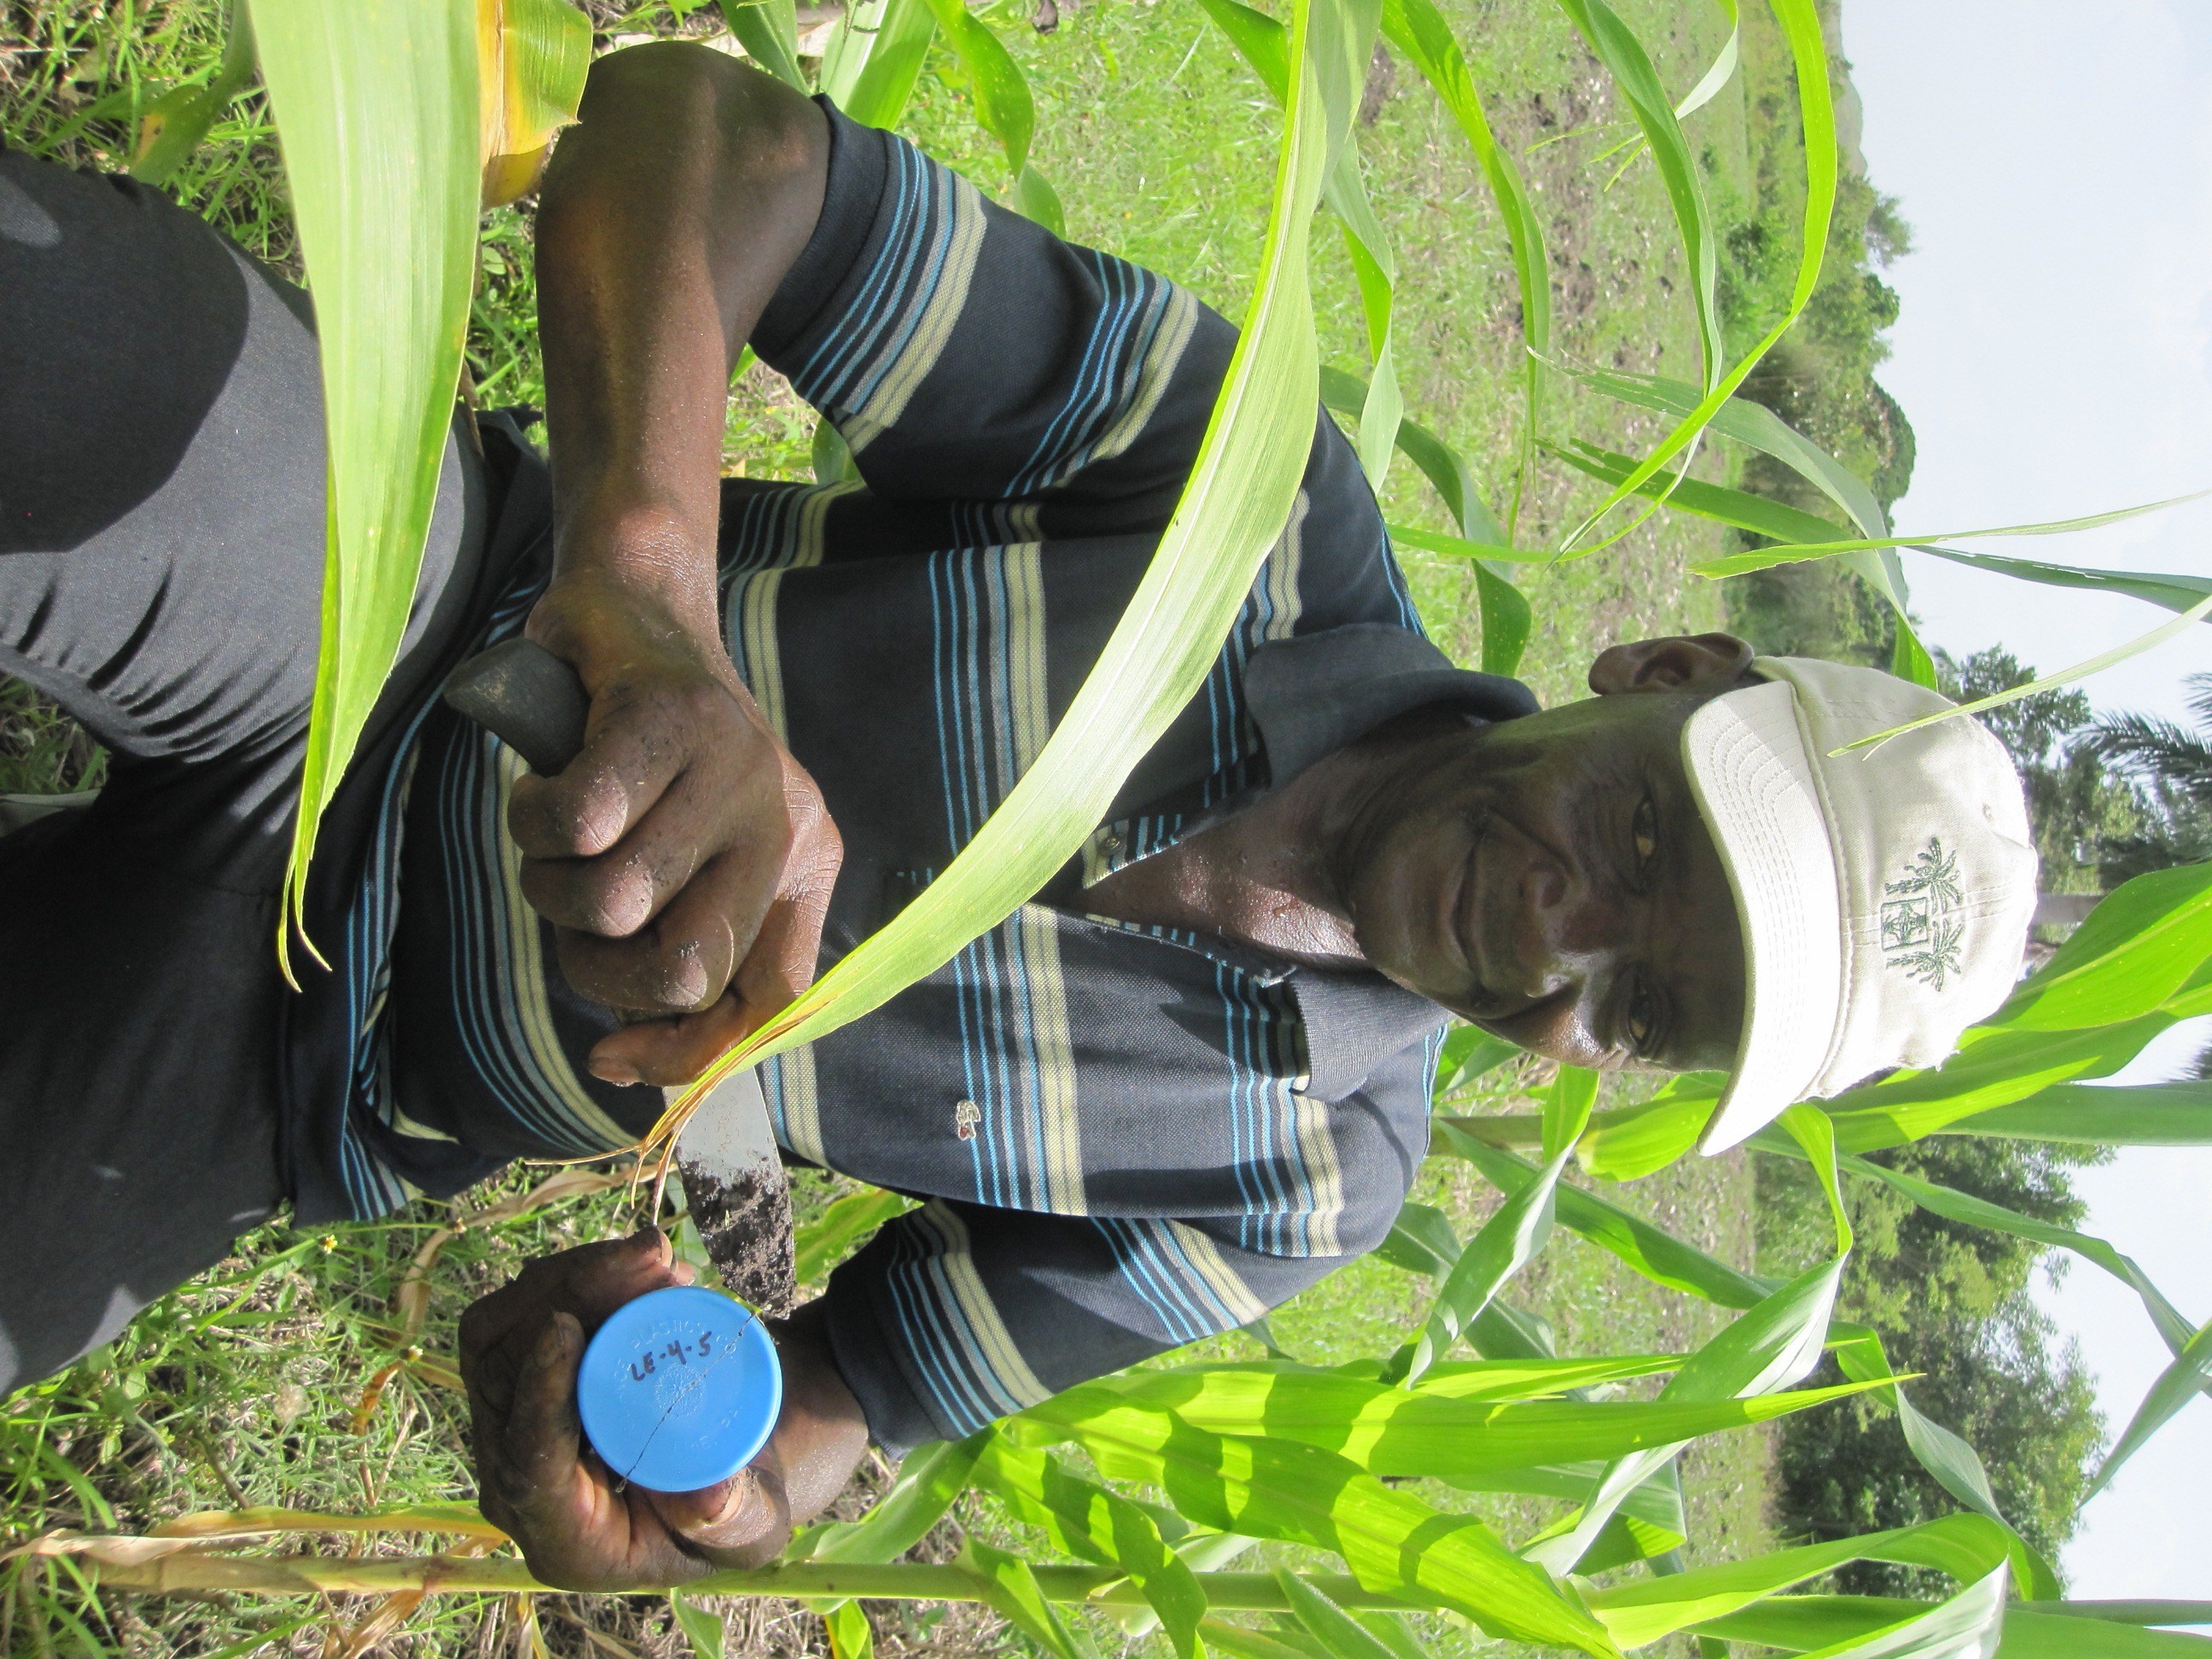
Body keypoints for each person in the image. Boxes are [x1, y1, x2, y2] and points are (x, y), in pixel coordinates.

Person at [0, 44, 2038, 1589]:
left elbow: (847, 1407)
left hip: (324, 1068)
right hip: (402, 600)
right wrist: (645, 591)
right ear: (1667, 674)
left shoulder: (1309, 1182)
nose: (1568, 939)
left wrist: (693, 1480)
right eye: (1659, 846)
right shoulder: (1251, 518)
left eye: (1654, 1006)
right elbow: (700, 140)